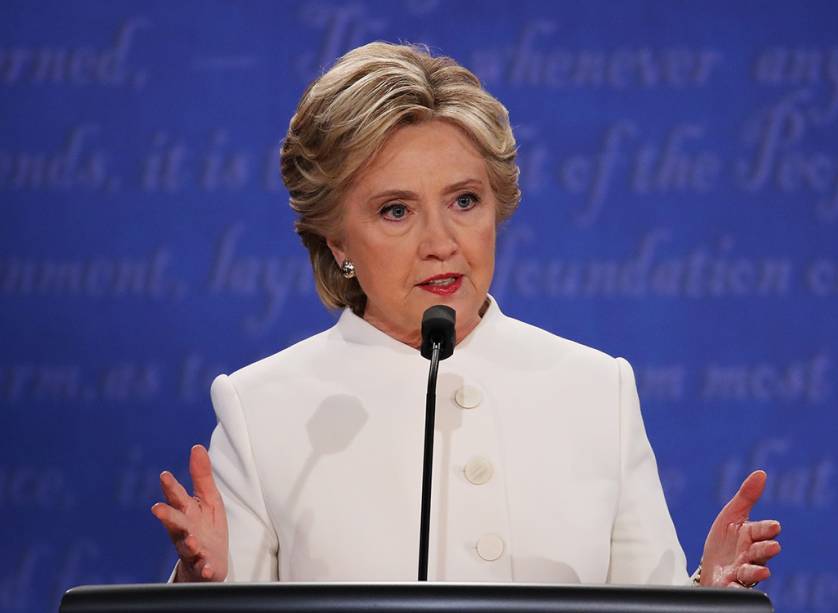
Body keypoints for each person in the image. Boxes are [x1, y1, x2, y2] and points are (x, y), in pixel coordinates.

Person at [151, 41, 781, 587]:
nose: (441, 241)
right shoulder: (264, 409)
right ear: (337, 241)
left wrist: (705, 596)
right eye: (395, 210)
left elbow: (649, 605)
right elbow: (220, 600)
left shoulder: (596, 391)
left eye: (464, 200)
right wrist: (197, 592)